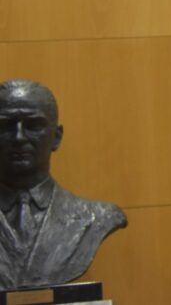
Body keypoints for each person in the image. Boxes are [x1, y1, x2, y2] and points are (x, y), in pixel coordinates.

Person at [0, 79, 127, 288]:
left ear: (57, 137)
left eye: (33, 125)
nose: (19, 137)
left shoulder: (97, 217)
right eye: (4, 126)